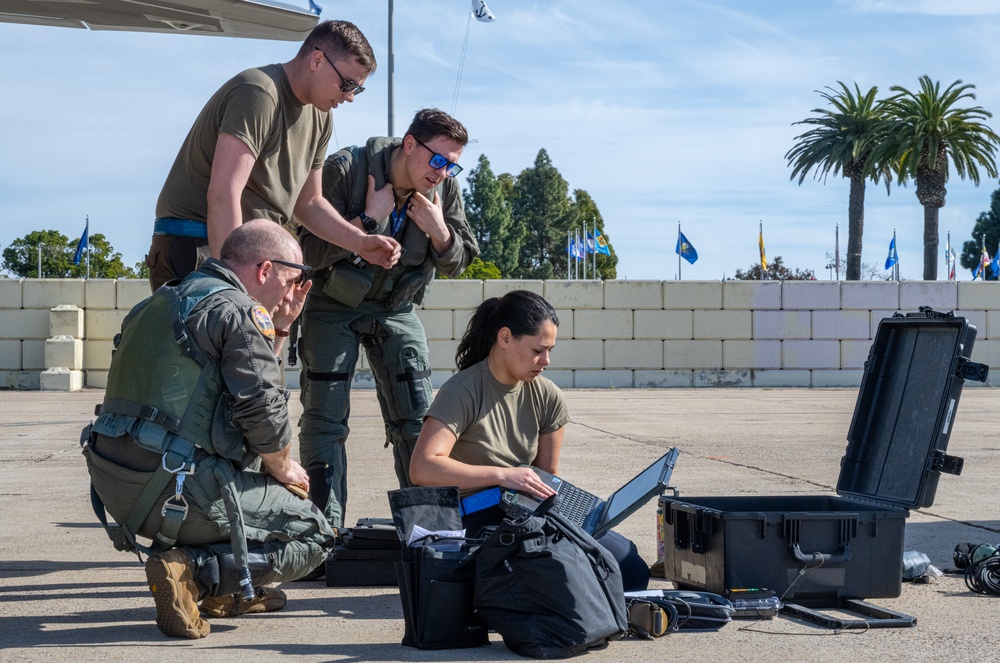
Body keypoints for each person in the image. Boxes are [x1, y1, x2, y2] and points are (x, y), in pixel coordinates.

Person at [82, 220, 336, 640]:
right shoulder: (238, 310)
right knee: (315, 533)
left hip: (116, 485)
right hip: (176, 489)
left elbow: (240, 380)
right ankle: (198, 575)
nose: (293, 293)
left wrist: (283, 325)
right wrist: (284, 467)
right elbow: (263, 411)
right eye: (292, 280)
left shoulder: (158, 302)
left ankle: (230, 591)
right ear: (264, 270)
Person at [296, 108, 479, 529]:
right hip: (332, 305)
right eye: (438, 160)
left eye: (453, 164)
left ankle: (429, 535)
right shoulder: (346, 170)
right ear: (409, 144)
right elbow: (303, 251)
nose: (444, 172)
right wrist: (367, 221)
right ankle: (320, 535)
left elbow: (459, 260)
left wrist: (439, 231)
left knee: (417, 418)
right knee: (324, 420)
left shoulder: (443, 191)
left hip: (397, 308)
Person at [408, 290, 651, 591]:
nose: (546, 360)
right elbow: (422, 467)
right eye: (538, 350)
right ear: (506, 338)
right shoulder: (462, 391)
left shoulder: (547, 395)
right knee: (568, 576)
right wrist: (504, 476)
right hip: (476, 520)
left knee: (630, 568)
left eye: (550, 350)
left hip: (526, 512)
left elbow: (548, 477)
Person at [146, 19, 400, 292]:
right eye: (348, 84)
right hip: (200, 247)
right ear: (317, 60)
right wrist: (232, 287)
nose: (350, 97)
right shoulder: (258, 92)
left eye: (357, 89)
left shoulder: (321, 116)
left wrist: (359, 242)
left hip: (251, 255)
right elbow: (223, 193)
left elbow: (310, 202)